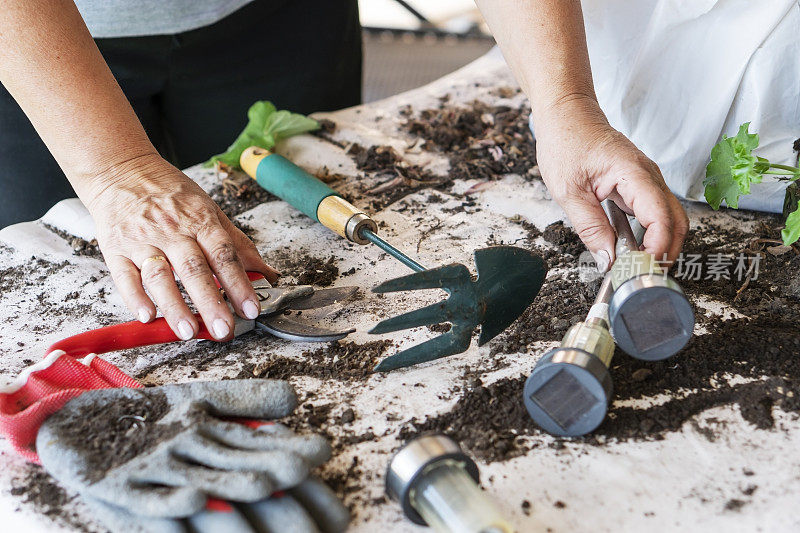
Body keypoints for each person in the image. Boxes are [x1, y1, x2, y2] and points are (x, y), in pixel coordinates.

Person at [0, 0, 688, 344]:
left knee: (261, 249)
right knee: (83, 291)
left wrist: (564, 104)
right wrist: (113, 167)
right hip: (36, 46)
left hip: (277, 18)